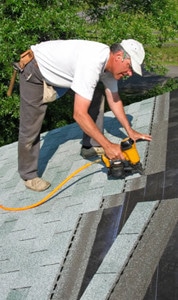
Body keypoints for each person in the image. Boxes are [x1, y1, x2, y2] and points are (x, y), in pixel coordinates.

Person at [18, 39, 152, 192]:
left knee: (96, 96)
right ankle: (28, 175)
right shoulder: (91, 63)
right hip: (35, 70)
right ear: (119, 56)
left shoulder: (109, 65)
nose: (129, 73)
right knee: (30, 125)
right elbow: (79, 114)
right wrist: (108, 146)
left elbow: (114, 99)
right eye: (129, 67)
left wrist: (130, 131)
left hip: (61, 72)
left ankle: (90, 146)